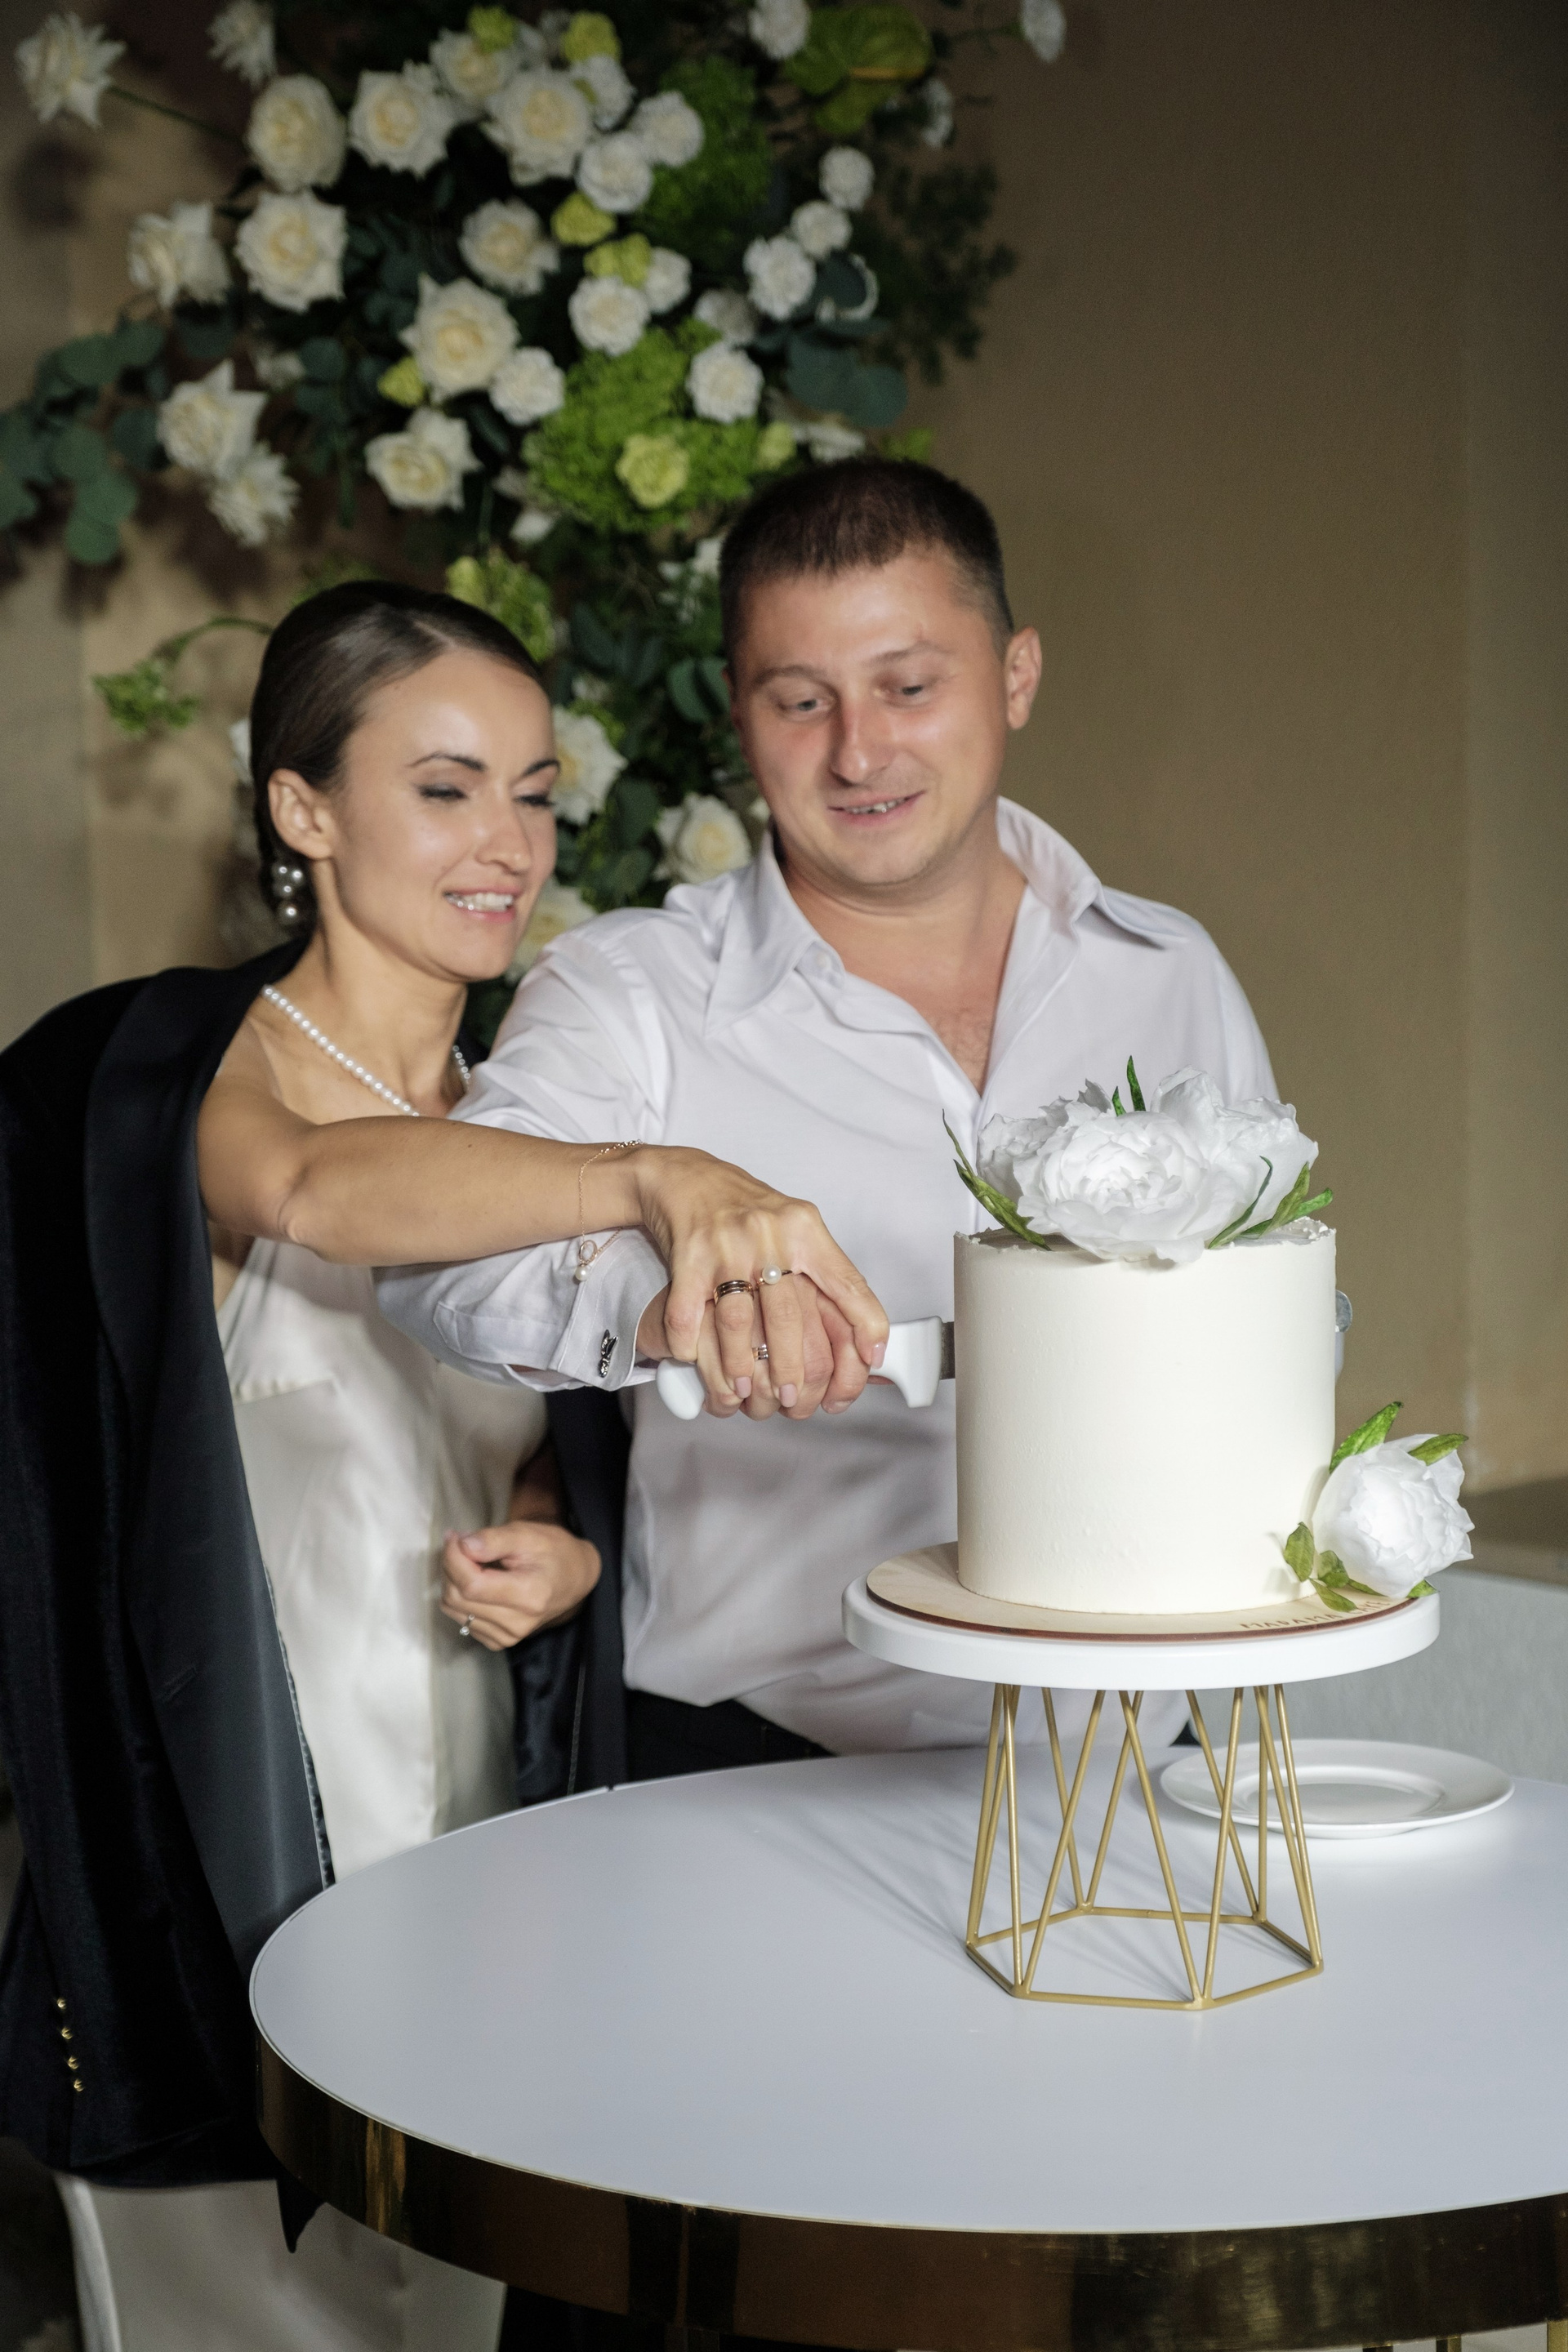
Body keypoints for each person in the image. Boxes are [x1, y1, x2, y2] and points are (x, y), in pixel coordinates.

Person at [0, 581, 885, 2352]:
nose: (510, 845)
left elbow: (561, 1445)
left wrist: (566, 1546)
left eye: (537, 793)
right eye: (447, 788)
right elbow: (317, 1192)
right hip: (228, 1889)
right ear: (302, 809)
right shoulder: (175, 1068)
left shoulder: (525, 1115)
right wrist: (660, 1175)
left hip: (489, 1896)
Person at [381, 460, 1281, 1782]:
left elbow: (1267, 1320)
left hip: (1134, 1765)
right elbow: (430, 1263)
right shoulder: (629, 991)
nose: (858, 753)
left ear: (1017, 675)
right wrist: (667, 1300)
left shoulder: (1171, 974)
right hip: (754, 1773)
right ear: (738, 713)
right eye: (801, 701)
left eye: (909, 687)